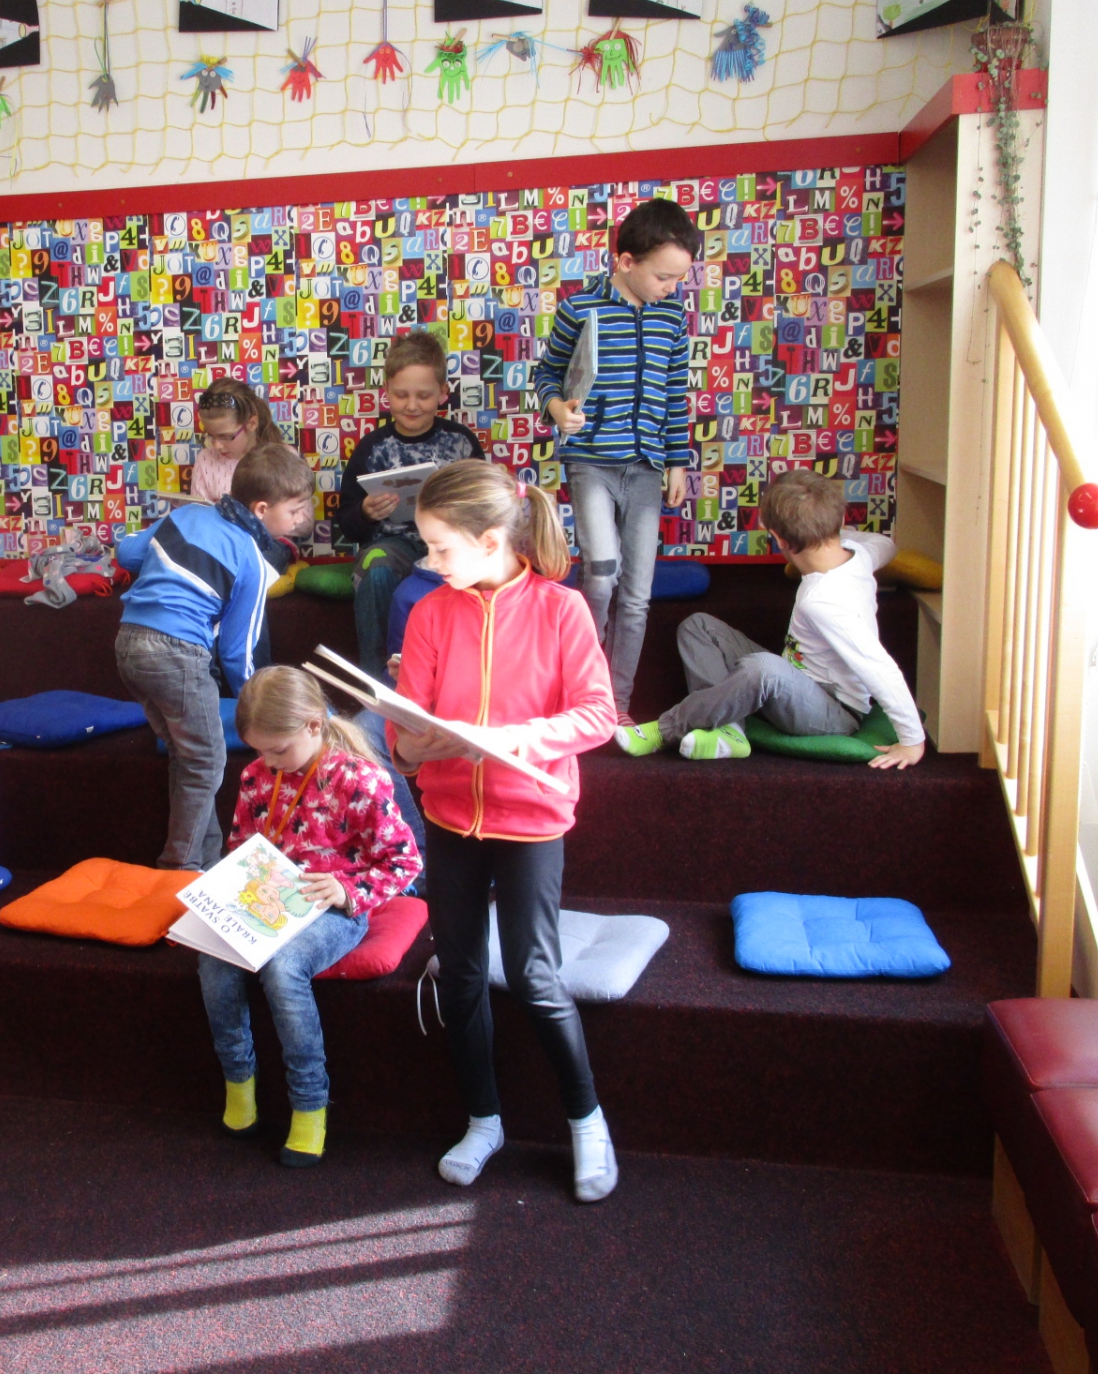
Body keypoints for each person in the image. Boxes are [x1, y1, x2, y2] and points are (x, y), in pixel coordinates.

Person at [388, 460, 620, 1200]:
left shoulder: (561, 610)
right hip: (449, 815)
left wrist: (514, 739)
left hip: (531, 819)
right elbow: (405, 731)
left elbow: (597, 716)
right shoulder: (430, 613)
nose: (430, 561)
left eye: (440, 547)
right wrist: (415, 744)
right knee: (458, 975)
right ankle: (483, 1120)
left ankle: (586, 1121)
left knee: (534, 977)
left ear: (491, 540)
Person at [202, 667, 422, 1167]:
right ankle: (239, 1082)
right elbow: (241, 847)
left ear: (313, 726)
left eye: (278, 751)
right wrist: (222, 894)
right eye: (260, 751)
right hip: (266, 898)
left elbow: (405, 862)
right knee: (213, 958)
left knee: (284, 968)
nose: (268, 762)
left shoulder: (360, 779)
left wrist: (347, 890)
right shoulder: (256, 776)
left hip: (334, 907)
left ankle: (308, 1103)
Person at [615, 470, 927, 769]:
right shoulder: (860, 552)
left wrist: (912, 740)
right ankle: (729, 731)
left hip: (835, 713)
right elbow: (886, 544)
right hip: (800, 681)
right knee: (698, 626)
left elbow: (879, 667)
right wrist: (832, 530)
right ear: (841, 521)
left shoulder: (824, 601)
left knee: (764, 669)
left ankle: (666, 729)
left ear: (779, 539)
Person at [533, 197, 701, 723]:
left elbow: (674, 393)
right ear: (626, 261)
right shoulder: (580, 309)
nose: (671, 287)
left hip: (647, 466)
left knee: (637, 595)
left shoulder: (671, 317)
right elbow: (546, 375)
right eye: (663, 276)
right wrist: (557, 409)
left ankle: (617, 704)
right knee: (601, 574)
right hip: (591, 463)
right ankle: (582, 692)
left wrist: (677, 462)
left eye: (679, 278)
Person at [115, 444, 315, 871]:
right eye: (296, 510)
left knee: (188, 758)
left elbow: (127, 553)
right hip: (177, 654)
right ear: (261, 510)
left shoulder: (188, 514)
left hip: (129, 643)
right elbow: (237, 651)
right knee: (206, 762)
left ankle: (204, 860)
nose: (302, 518)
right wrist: (256, 704)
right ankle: (180, 869)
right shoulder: (252, 560)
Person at [338, 329, 484, 677]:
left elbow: (485, 505)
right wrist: (365, 513)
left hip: (452, 547)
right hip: (394, 545)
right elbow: (345, 523)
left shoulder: (461, 443)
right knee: (375, 566)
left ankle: (456, 679)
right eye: (401, 395)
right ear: (387, 392)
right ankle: (378, 682)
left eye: (424, 395)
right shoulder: (371, 448)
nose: (412, 405)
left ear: (443, 393)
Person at [190, 378, 286, 502]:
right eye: (211, 436)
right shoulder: (205, 460)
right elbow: (196, 512)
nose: (217, 445)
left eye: (226, 437)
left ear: (252, 423)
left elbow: (300, 511)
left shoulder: (285, 459)